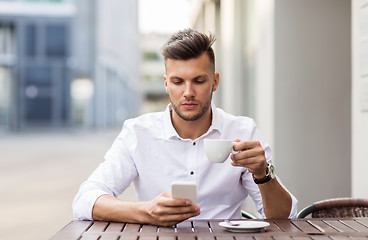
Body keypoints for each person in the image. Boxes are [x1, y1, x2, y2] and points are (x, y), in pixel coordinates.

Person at [73, 28, 298, 227]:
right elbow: (85, 200)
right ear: (166, 84)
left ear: (215, 82)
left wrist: (263, 174)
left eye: (199, 81)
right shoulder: (138, 133)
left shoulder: (243, 131)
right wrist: (145, 212)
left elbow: (286, 218)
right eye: (178, 81)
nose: (188, 92)